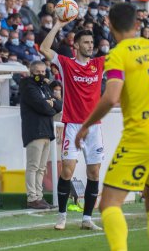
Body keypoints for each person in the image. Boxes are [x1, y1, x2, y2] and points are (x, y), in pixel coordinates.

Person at [75, 2, 149, 251]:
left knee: (109, 204)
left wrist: (85, 126)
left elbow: (111, 96)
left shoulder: (119, 53)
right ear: (137, 24)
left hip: (141, 135)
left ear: (109, 23)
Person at [40, 23, 105, 231]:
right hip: (73, 126)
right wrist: (58, 24)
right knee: (67, 170)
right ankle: (62, 216)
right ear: (75, 45)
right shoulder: (66, 63)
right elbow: (43, 49)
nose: (90, 45)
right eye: (85, 42)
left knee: (94, 173)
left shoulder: (99, 63)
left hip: (94, 128)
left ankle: (87, 218)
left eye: (92, 42)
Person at [20, 61, 62, 209]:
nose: (41, 75)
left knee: (41, 167)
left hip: (46, 131)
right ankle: (32, 198)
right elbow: (43, 106)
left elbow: (59, 104)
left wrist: (50, 104)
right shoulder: (27, 86)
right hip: (34, 131)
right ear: (31, 72)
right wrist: (50, 105)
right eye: (37, 72)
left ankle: (39, 196)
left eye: (43, 72)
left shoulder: (44, 87)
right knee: (33, 166)